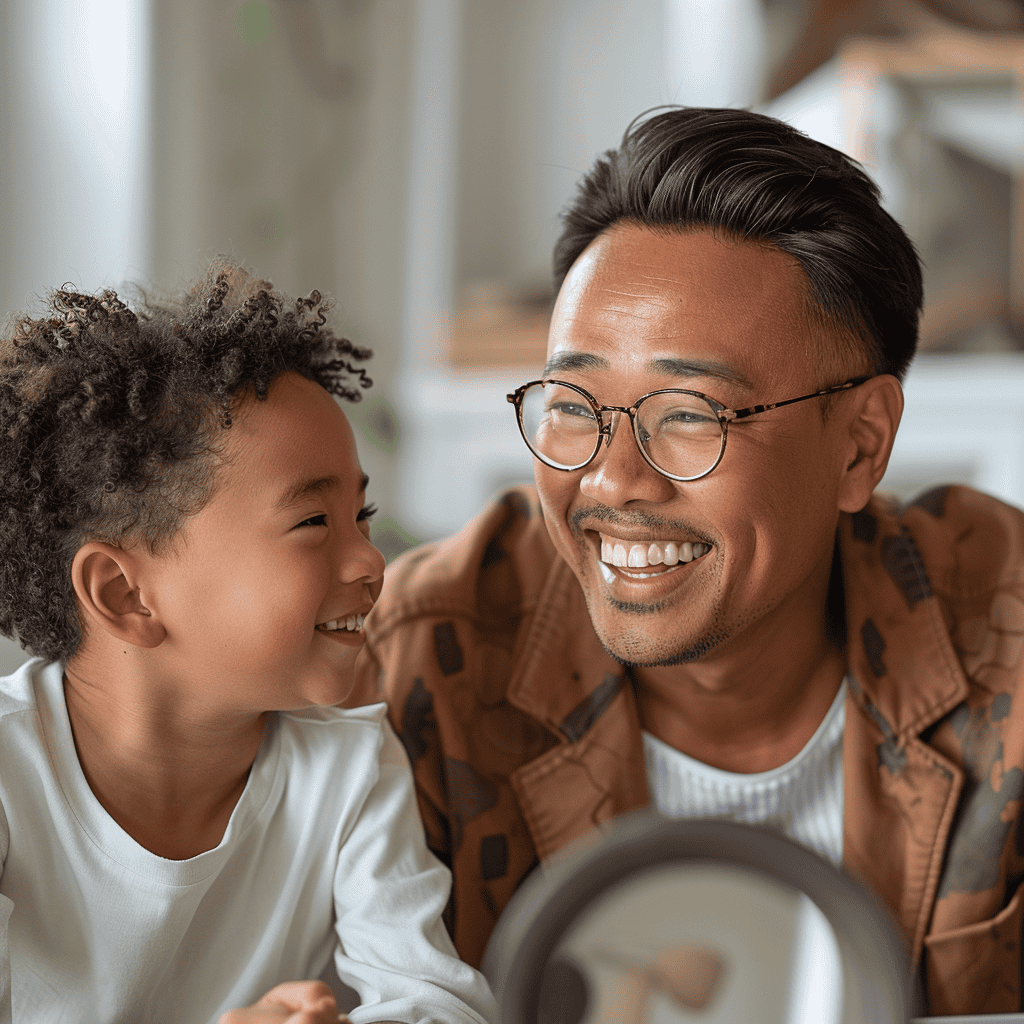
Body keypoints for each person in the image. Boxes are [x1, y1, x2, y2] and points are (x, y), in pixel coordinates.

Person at [354, 106, 1024, 1017]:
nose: (611, 477)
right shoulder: (416, 667)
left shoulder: (1007, 637)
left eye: (691, 414)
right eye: (572, 401)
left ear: (861, 445)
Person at [0, 265, 496, 1024]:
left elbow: (442, 1006)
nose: (370, 561)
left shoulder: (351, 770)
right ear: (125, 594)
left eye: (361, 517)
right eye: (312, 524)